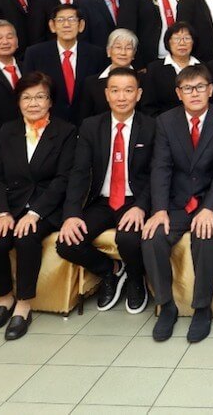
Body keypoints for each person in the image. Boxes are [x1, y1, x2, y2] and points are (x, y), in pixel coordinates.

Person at [144, 65, 213, 342]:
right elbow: (161, 167)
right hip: (176, 202)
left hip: (210, 201)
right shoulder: (166, 122)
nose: (194, 93)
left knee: (206, 237)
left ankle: (202, 308)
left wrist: (209, 208)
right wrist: (159, 209)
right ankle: (166, 306)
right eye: (188, 88)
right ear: (179, 93)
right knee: (152, 237)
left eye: (200, 87)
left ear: (210, 90)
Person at [0, 72, 77, 340]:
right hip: (11, 205)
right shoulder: (7, 130)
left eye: (40, 97)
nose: (33, 103)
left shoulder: (65, 132)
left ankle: (24, 305)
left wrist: (34, 213)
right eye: (26, 97)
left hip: (46, 206)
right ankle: (4, 298)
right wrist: (1, 212)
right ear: (18, 101)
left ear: (50, 101)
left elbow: (63, 179)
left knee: (26, 238)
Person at [58, 67, 155, 315]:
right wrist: (71, 214)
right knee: (67, 243)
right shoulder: (91, 126)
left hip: (134, 200)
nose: (122, 97)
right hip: (101, 201)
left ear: (139, 94)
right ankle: (110, 271)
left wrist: (141, 207)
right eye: (115, 91)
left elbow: (157, 174)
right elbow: (79, 172)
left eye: (128, 91)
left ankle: (136, 279)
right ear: (106, 94)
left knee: (129, 239)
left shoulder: (151, 126)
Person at [21, 4, 106, 124]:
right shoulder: (35, 54)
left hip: (86, 124)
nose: (66, 25)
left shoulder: (96, 54)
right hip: (48, 124)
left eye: (72, 19)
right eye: (60, 20)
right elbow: (27, 91)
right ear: (52, 26)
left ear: (81, 25)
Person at [76, 28, 141, 122]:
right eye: (118, 47)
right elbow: (84, 118)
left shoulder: (143, 80)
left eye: (128, 48)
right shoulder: (91, 83)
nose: (123, 52)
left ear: (134, 54)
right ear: (108, 51)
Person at [142, 22, 202, 116]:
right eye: (177, 39)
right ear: (168, 42)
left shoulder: (203, 68)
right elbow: (148, 106)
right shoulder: (154, 69)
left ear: (193, 42)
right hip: (164, 122)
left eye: (187, 38)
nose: (182, 43)